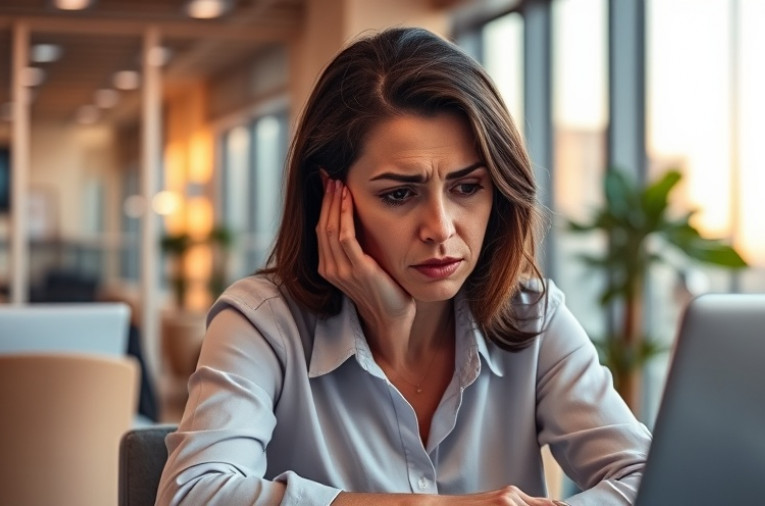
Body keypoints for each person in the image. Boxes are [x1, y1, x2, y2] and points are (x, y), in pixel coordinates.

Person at [156, 27, 651, 506]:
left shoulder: (530, 316)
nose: (440, 227)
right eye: (399, 194)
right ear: (332, 197)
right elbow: (193, 494)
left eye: (467, 187)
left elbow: (645, 476)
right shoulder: (263, 321)